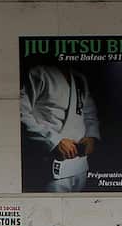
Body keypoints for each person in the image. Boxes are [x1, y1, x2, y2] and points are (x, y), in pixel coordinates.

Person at [20, 63, 100, 193]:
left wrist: (91, 136)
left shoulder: (79, 78)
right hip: (50, 167)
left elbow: (89, 113)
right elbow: (20, 113)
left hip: (80, 166)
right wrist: (54, 141)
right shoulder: (38, 73)